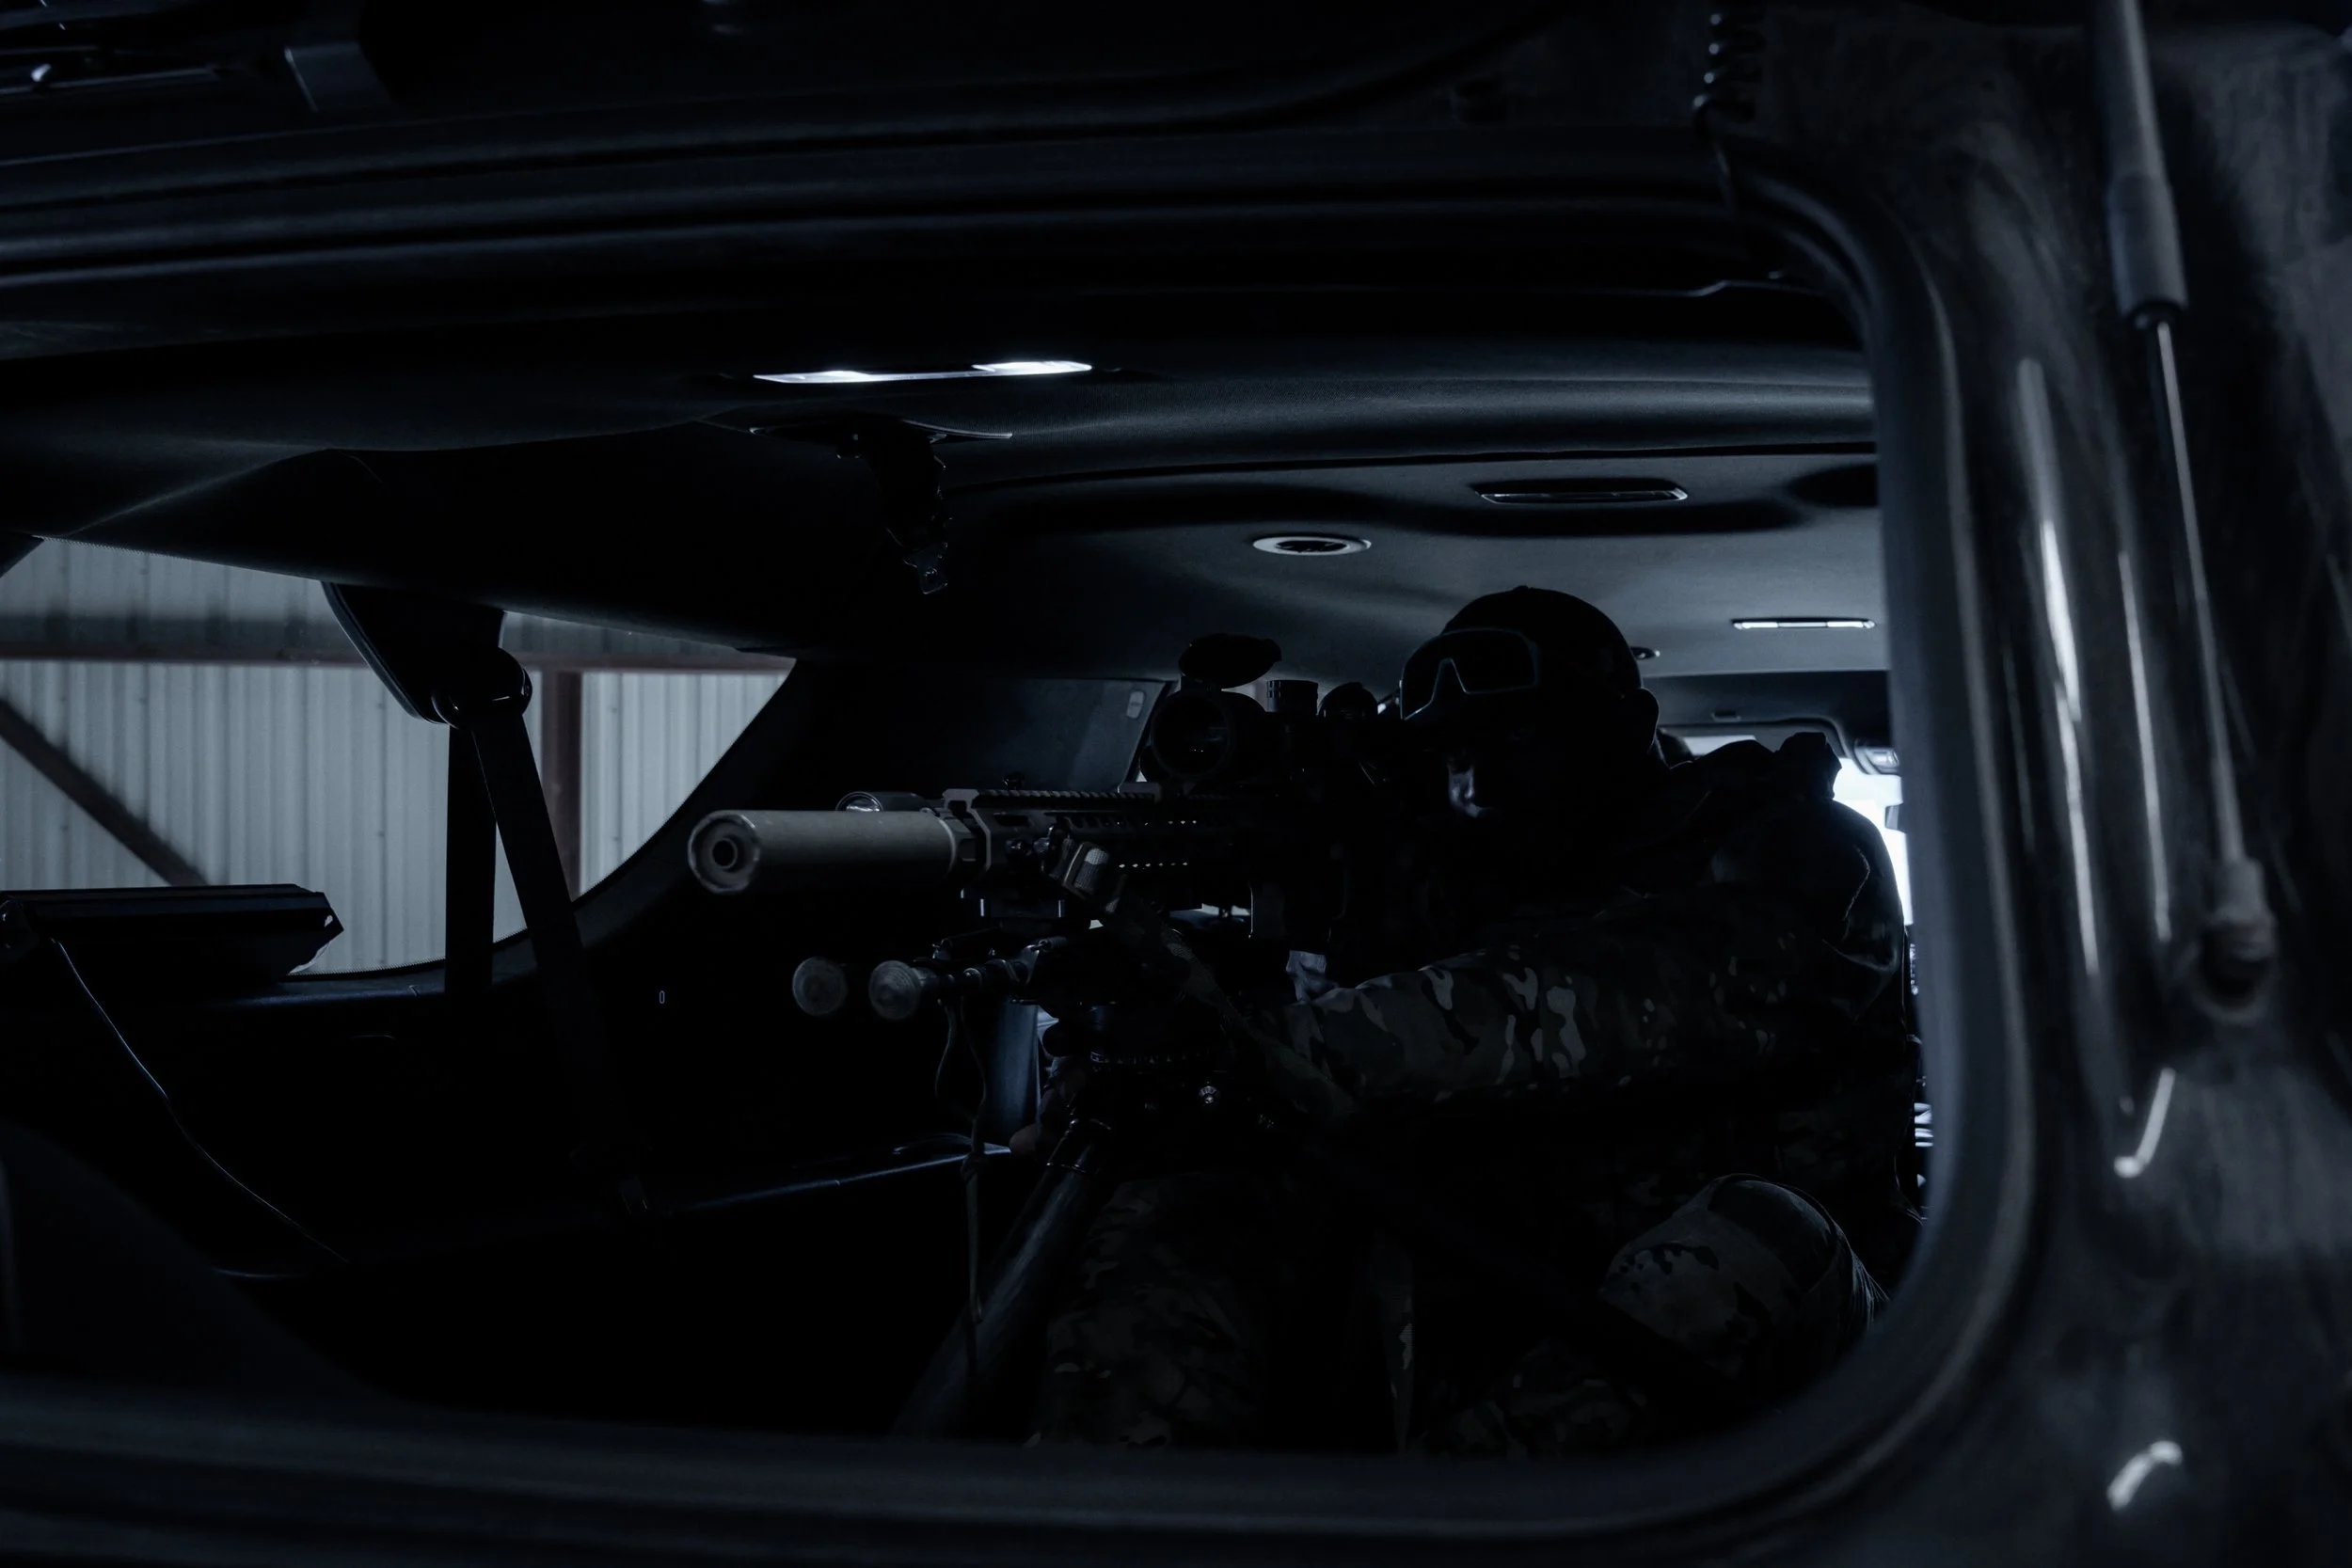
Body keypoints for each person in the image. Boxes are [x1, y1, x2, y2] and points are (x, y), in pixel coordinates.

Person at [1026, 588, 1918, 1455]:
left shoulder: (1803, 850)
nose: (1478, 782)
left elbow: (1604, 996)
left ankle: (1446, 1530)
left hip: (1812, 1348)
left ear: (1628, 726)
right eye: (1453, 751)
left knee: (1759, 1231)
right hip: (1521, 1269)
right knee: (1204, 1192)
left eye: (1523, 737)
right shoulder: (1455, 869)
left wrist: (1281, 1045)